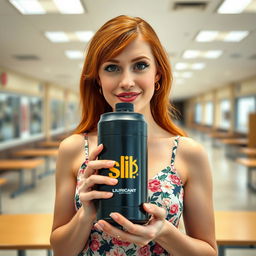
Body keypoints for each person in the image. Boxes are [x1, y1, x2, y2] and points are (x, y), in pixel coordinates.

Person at [50, 15, 217, 256]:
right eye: (112, 68)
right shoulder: (73, 148)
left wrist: (164, 232)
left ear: (157, 74)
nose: (127, 81)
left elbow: (209, 252)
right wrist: (86, 214)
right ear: (98, 79)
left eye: (140, 65)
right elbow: (60, 250)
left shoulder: (188, 153)